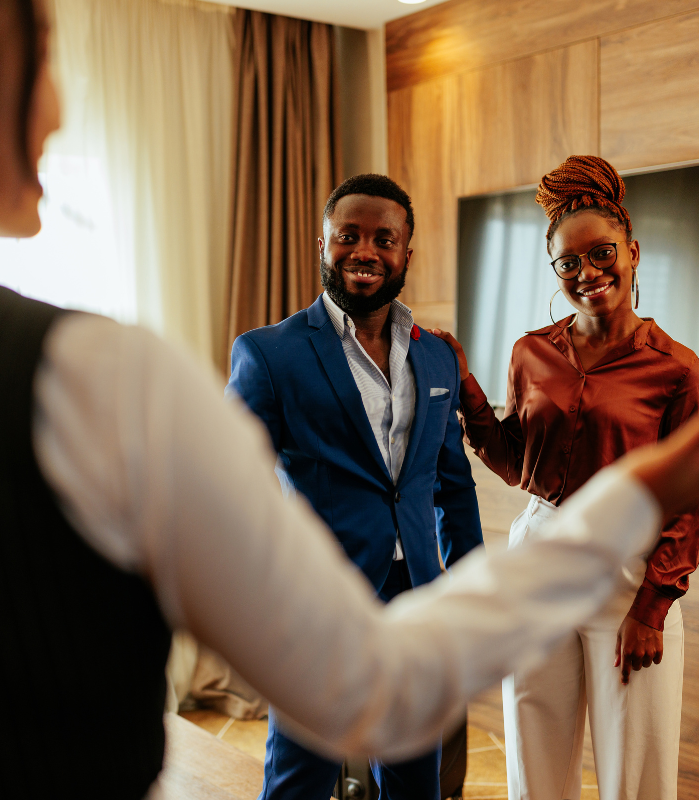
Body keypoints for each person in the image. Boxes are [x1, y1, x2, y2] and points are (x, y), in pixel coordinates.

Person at [0, 2, 699, 797]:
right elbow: (365, 679)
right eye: (46, 55)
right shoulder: (98, 379)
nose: (55, 109)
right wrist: (621, 502)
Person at [433, 155, 699, 800]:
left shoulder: (677, 370)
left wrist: (653, 607)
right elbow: (518, 463)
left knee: (634, 773)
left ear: (633, 252)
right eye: (568, 263)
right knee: (533, 752)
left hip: (628, 567)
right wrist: (467, 388)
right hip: (542, 553)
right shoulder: (530, 352)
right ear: (555, 271)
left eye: (602, 254)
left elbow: (686, 500)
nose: (587, 273)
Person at [227, 173, 483, 800]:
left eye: (382, 239)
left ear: (405, 254)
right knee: (301, 778)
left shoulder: (437, 357)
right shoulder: (269, 354)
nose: (364, 251)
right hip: (319, 602)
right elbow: (230, 485)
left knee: (415, 779)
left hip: (418, 599)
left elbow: (452, 485)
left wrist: (472, 590)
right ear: (324, 245)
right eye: (348, 236)